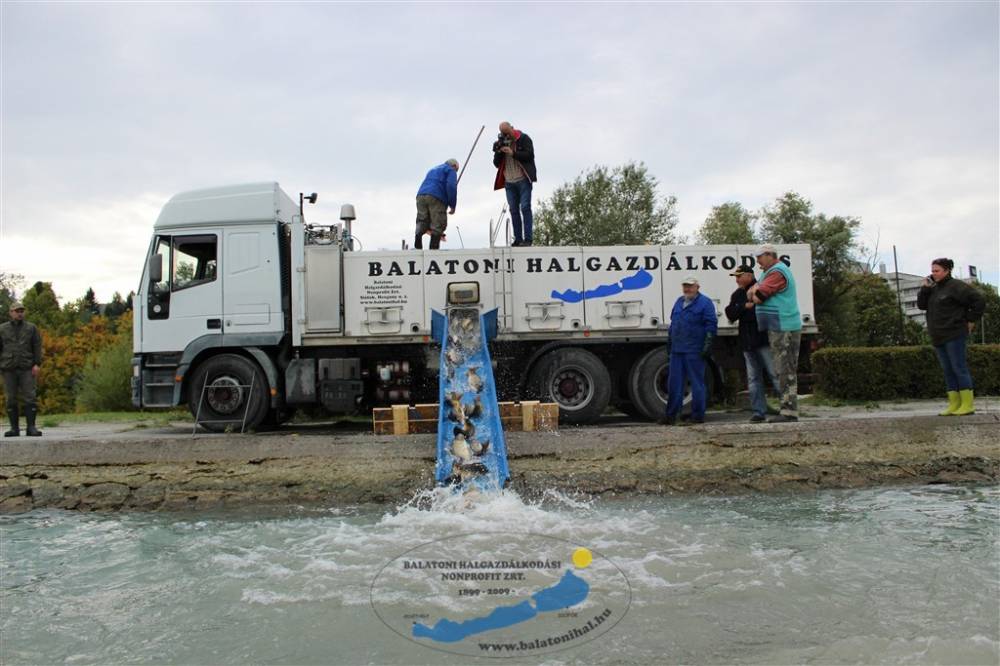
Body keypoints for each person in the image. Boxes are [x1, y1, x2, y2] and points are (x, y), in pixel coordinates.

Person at [917, 257, 986, 416]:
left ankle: (967, 405)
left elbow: (978, 300)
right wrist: (925, 289)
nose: (933, 274)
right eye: (932, 270)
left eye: (937, 271)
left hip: (954, 333)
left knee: (959, 368)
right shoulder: (933, 288)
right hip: (938, 335)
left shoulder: (956, 287)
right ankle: (954, 404)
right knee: (947, 370)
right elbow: (921, 305)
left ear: (947, 271)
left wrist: (970, 320)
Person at [748, 244, 801, 423]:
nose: (758, 261)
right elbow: (750, 294)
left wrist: (756, 290)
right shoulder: (768, 273)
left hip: (784, 326)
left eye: (760, 257)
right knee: (782, 369)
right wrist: (754, 291)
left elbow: (759, 296)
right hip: (778, 326)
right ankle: (787, 409)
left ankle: (789, 412)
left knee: (785, 369)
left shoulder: (777, 272)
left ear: (770, 255)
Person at [725, 266, 779, 422]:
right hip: (747, 343)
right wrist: (744, 306)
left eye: (739, 276)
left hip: (764, 341)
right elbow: (730, 313)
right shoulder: (737, 294)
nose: (736, 279)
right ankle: (758, 412)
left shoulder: (761, 288)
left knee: (774, 375)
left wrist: (744, 308)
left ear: (749, 276)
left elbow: (761, 311)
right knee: (753, 379)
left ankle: (788, 408)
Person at [660, 276, 717, 425]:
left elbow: (711, 325)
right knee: (674, 383)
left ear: (697, 287)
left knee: (697, 383)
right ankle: (671, 415)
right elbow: (673, 323)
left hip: (694, 349)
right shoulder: (679, 301)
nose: (687, 289)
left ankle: (697, 416)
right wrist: (670, 341)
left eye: (690, 286)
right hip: (677, 349)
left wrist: (707, 344)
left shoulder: (705, 303)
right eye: (685, 286)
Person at [0, 301, 43, 437]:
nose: (19, 313)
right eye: (17, 311)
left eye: (21, 311)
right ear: (11, 313)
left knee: (30, 397)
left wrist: (37, 364)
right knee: (11, 398)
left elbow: (37, 346)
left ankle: (31, 427)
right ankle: (14, 428)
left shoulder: (31, 328)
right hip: (8, 367)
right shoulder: (2, 329)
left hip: (26, 367)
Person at [492, 121, 537, 246]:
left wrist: (513, 153)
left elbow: (529, 155)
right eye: (503, 133)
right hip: (509, 182)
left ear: (512, 128)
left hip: (523, 179)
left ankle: (528, 239)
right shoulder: (501, 143)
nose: (506, 135)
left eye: (507, 132)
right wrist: (499, 151)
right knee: (513, 210)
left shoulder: (523, 138)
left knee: (525, 207)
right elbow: (496, 163)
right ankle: (518, 239)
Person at [414, 159, 459, 250]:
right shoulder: (450, 170)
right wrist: (452, 205)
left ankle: (418, 240)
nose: (456, 172)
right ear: (454, 166)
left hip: (421, 195)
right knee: (438, 224)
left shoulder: (433, 169)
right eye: (456, 170)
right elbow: (451, 186)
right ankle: (433, 251)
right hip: (436, 197)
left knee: (422, 220)